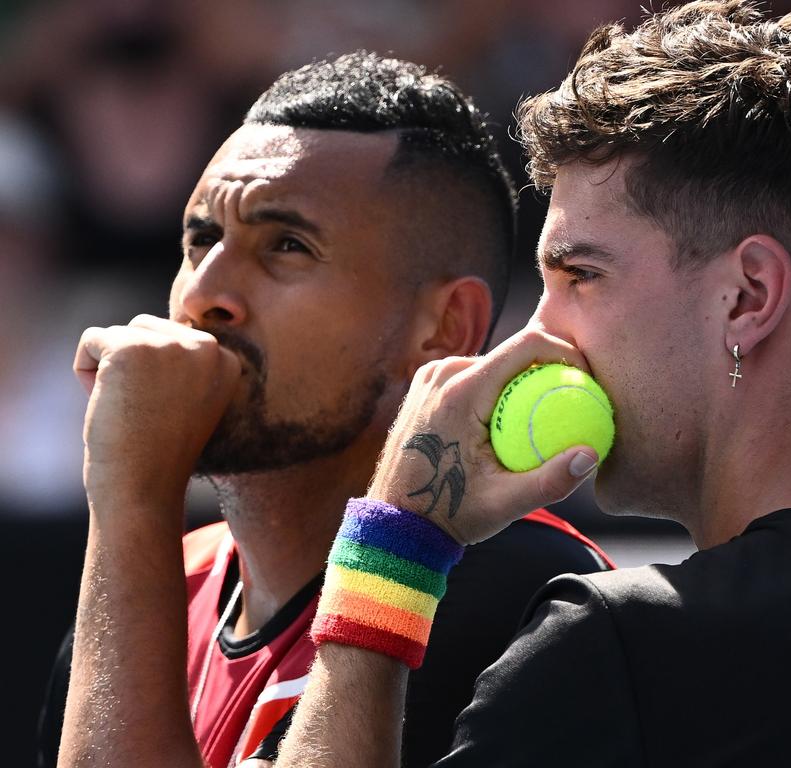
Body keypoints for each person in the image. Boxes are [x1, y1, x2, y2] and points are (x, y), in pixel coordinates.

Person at [266, 3, 791, 766]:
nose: (539, 336)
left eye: (583, 276)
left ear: (749, 297)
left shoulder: (612, 650)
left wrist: (394, 542)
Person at [45, 52, 613, 768]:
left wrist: (132, 499)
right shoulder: (156, 577)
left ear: (443, 328)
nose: (203, 296)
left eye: (286, 245)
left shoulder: (533, 605)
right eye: (200, 240)